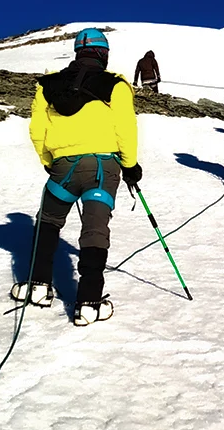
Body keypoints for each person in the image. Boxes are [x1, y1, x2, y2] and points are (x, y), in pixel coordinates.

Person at [18, 27, 142, 326]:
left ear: (77, 52)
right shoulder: (116, 85)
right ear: (103, 54)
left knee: (47, 221)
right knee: (95, 229)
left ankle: (37, 286)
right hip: (102, 168)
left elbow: (37, 130)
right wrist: (131, 165)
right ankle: (89, 301)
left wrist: (49, 160)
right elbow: (125, 129)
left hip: (63, 166)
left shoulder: (48, 85)